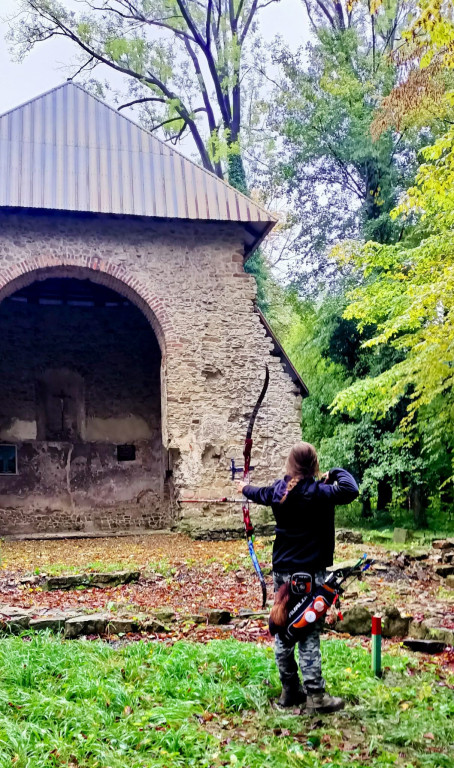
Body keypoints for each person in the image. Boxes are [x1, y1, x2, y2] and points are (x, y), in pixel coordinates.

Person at [237, 441, 359, 714]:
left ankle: (290, 690)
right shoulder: (320, 492)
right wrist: (333, 473)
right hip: (310, 574)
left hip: (283, 573)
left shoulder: (279, 491)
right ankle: (315, 696)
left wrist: (243, 488)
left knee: (283, 629)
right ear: (314, 465)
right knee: (307, 632)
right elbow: (351, 488)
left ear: (290, 465)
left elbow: (256, 492)